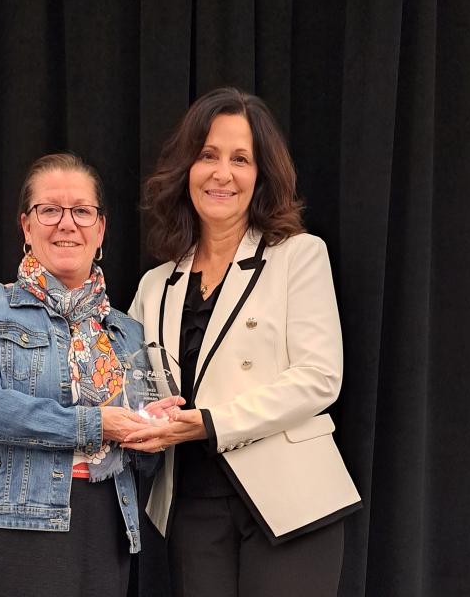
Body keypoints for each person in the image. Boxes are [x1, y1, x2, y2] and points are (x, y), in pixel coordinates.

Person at [123, 88, 362, 597]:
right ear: (186, 168)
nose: (221, 173)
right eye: (207, 155)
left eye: (240, 159)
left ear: (261, 176)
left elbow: (320, 377)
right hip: (190, 502)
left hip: (292, 498)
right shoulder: (155, 285)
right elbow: (131, 385)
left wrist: (211, 423)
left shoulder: (299, 255)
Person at [0, 153, 181, 597]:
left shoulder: (127, 332)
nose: (66, 223)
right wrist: (95, 423)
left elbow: (144, 461)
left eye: (82, 211)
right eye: (49, 210)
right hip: (6, 525)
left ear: (101, 230)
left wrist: (153, 431)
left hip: (104, 527)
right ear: (26, 228)